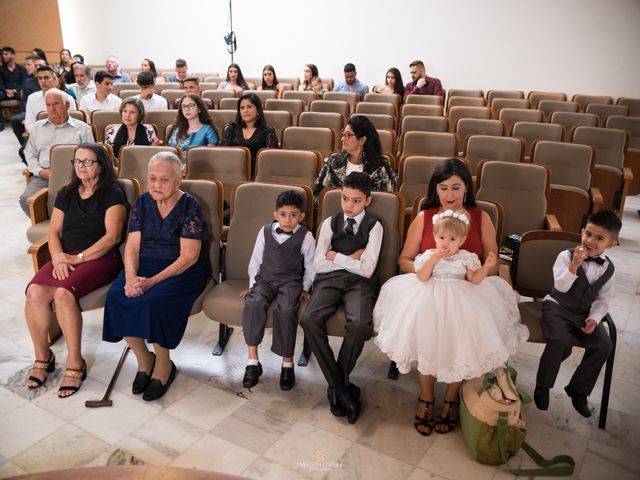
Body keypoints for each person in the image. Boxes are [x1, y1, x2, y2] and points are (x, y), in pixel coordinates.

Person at [376, 157, 504, 433]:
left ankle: (451, 396)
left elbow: (490, 265)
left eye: (456, 188)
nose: (449, 195)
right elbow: (405, 260)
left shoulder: (482, 218)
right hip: (429, 287)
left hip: (469, 290)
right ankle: (426, 395)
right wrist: (431, 267)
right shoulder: (425, 216)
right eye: (443, 188)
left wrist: (475, 273)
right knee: (427, 338)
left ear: (467, 189)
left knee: (461, 341)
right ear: (436, 188)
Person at [373, 209, 527, 436]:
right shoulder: (428, 255)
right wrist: (434, 258)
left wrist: (486, 267)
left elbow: (474, 280)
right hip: (428, 302)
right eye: (442, 238)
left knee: (459, 349)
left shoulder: (466, 258)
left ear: (462, 240)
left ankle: (450, 398)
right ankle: (426, 396)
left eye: (452, 239)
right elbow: (422, 276)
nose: (446, 243)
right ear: (435, 236)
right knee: (427, 346)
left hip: (461, 304)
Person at [103, 152, 210, 401]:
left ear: (179, 179)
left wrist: (149, 283)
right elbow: (131, 247)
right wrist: (131, 278)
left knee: (154, 301)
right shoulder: (143, 202)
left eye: (164, 180)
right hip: (145, 265)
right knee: (117, 297)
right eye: (152, 179)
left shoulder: (190, 206)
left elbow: (189, 257)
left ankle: (164, 365)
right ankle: (144, 359)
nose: (157, 185)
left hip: (182, 270)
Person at [24, 143, 127, 397]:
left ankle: (74, 361)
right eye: (77, 162)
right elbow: (54, 231)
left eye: (87, 162)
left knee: (62, 294)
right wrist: (58, 257)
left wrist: (77, 259)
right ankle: (43, 357)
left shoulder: (113, 193)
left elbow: (112, 238)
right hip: (66, 257)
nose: (80, 166)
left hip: (100, 258)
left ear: (101, 165)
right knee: (35, 291)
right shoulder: (66, 192)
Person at [301, 172, 383, 424]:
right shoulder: (329, 223)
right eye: (345, 198)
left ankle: (337, 385)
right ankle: (340, 386)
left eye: (356, 201)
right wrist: (352, 259)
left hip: (360, 284)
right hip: (329, 281)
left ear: (367, 201)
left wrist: (335, 257)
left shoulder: (375, 226)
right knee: (309, 318)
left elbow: (368, 269)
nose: (348, 206)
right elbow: (318, 264)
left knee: (360, 325)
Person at [534, 210, 620, 418]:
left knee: (604, 345)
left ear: (611, 243)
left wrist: (594, 319)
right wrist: (574, 265)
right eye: (588, 234)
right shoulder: (565, 256)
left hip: (583, 314)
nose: (591, 241)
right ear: (582, 232)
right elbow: (560, 287)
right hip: (557, 307)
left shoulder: (609, 269)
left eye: (599, 238)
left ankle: (578, 390)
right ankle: (543, 385)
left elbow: (602, 300)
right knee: (560, 339)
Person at [241, 190, 316, 390]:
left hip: (290, 282)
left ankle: (287, 363)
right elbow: (255, 260)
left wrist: (305, 288)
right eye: (283, 214)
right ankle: (252, 362)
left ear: (301, 216)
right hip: (264, 280)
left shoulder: (306, 237)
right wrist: (252, 286)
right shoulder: (265, 231)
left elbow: (311, 267)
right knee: (254, 303)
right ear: (276, 214)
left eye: (293, 215)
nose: (288, 219)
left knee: (287, 310)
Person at [20, 88, 94, 215]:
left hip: (74, 176)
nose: (52, 108)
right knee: (26, 199)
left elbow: (91, 157)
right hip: (44, 176)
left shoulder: (83, 128)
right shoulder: (37, 128)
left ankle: (67, 228)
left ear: (67, 105)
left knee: (75, 200)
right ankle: (48, 224)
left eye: (56, 104)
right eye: (48, 105)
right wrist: (39, 171)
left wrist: (79, 174)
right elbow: (30, 154)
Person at [314, 115, 397, 197]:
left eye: (348, 135)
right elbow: (318, 195)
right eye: (343, 134)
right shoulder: (332, 161)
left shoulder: (381, 166)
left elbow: (389, 201)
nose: (342, 139)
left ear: (362, 140)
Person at [219, 92, 278, 176]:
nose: (245, 111)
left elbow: (271, 160)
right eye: (242, 108)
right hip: (231, 173)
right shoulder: (231, 128)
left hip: (258, 175)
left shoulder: (268, 131)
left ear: (258, 110)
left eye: (249, 107)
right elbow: (221, 154)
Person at [25, 66, 77, 133]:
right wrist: (39, 134)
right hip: (40, 134)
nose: (43, 81)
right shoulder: (32, 98)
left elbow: (73, 122)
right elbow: (29, 123)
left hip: (64, 134)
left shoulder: (67, 98)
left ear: (54, 79)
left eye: (46, 78)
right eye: (40, 78)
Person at [167, 94, 218, 163]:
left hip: (199, 167)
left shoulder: (208, 130)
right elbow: (169, 153)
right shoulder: (176, 129)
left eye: (191, 106)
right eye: (184, 107)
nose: (187, 109)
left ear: (199, 109)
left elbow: (212, 156)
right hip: (176, 167)